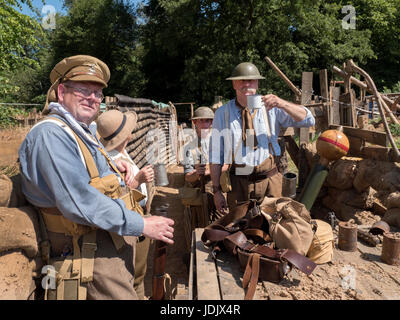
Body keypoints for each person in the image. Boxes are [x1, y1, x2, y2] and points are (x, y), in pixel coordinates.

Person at [18, 55, 174, 300]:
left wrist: (113, 166)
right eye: (83, 90)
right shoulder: (50, 135)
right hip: (87, 251)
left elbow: (89, 176)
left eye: (97, 93)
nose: (92, 98)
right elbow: (78, 200)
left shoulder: (79, 131)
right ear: (61, 92)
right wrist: (142, 224)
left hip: (104, 239)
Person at [209, 62, 315, 214]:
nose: (246, 84)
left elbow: (308, 119)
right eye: (241, 80)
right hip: (238, 184)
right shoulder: (222, 113)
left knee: (274, 228)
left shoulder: (271, 107)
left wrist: (281, 103)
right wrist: (217, 191)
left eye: (251, 80)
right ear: (233, 84)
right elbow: (215, 156)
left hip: (270, 182)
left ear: (257, 83)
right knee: (241, 229)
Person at [96, 109, 153, 300]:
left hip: (135, 216)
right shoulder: (112, 160)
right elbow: (117, 198)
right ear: (126, 135)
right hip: (131, 221)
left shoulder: (118, 153)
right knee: (135, 275)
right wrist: (138, 180)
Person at [181, 107, 228, 247]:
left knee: (222, 226)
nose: (205, 124)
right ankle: (194, 260)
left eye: (208, 121)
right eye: (201, 121)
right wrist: (196, 174)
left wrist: (208, 170)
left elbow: (227, 165)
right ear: (195, 123)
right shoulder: (189, 148)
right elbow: (187, 177)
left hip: (219, 191)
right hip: (199, 195)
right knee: (197, 230)